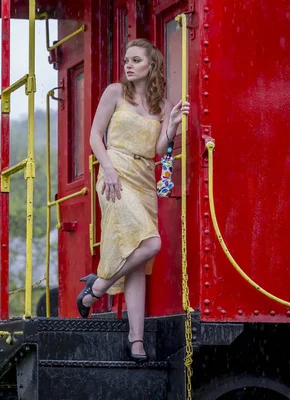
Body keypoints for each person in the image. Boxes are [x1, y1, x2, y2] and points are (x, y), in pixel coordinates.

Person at [76, 38, 190, 362]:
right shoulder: (115, 92)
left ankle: (136, 341)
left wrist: (172, 126)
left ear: (151, 66)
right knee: (151, 244)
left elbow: (159, 151)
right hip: (114, 175)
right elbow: (94, 137)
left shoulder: (163, 105)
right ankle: (97, 288)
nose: (128, 65)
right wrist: (107, 169)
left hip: (144, 181)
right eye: (127, 60)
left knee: (138, 262)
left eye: (136, 60)